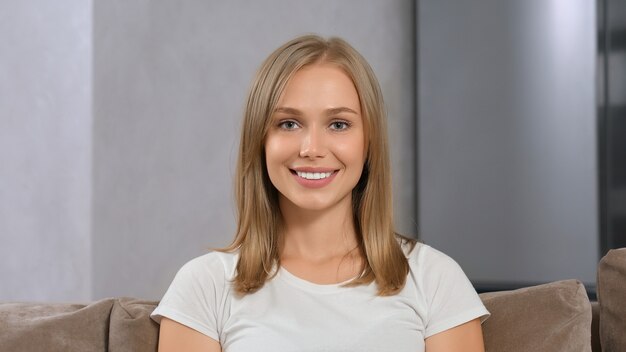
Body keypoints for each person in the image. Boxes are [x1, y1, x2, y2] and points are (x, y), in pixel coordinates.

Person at [151, 34, 489, 352]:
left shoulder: (435, 280)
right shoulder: (204, 285)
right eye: (289, 124)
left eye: (338, 125)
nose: (312, 149)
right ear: (260, 141)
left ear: (368, 143)